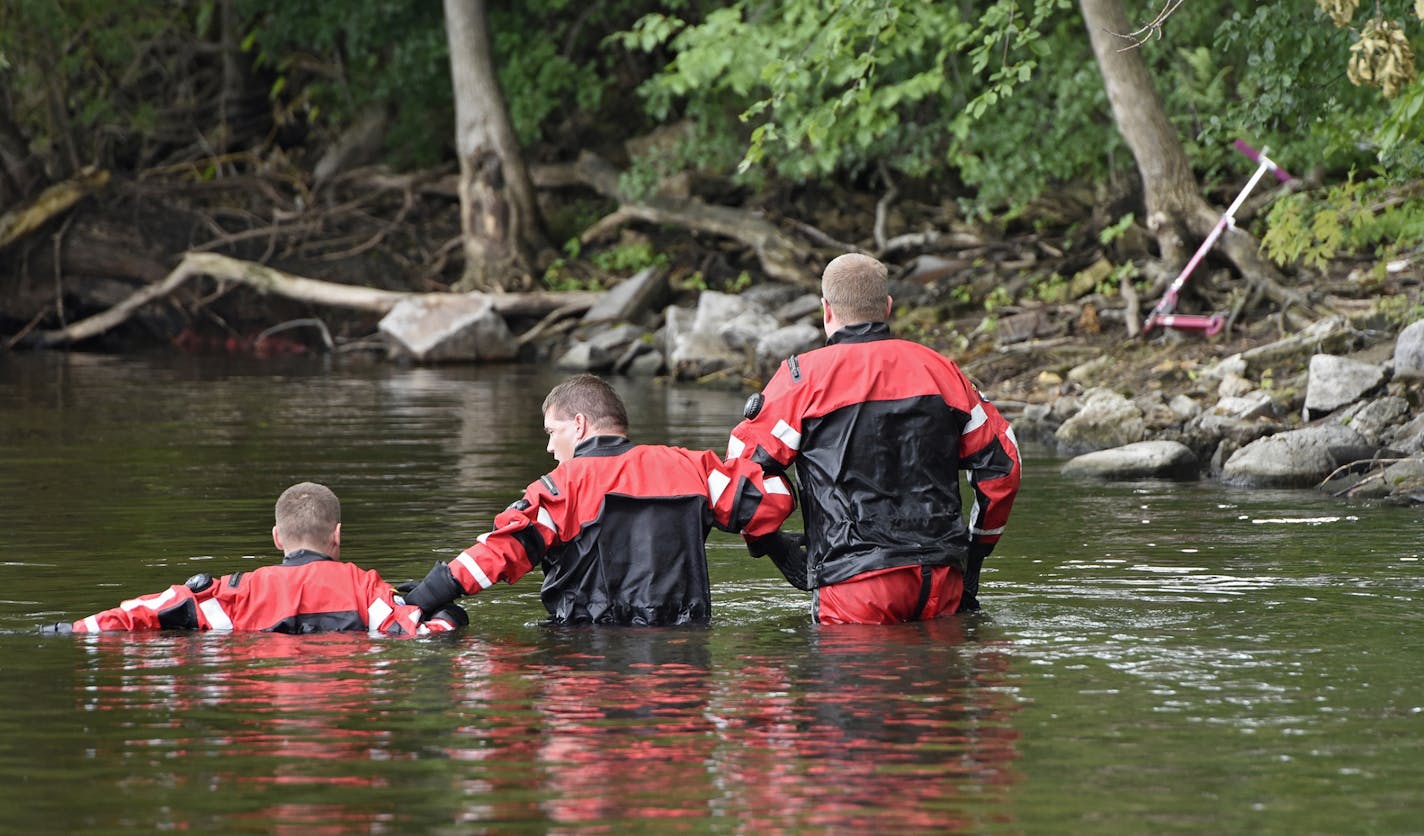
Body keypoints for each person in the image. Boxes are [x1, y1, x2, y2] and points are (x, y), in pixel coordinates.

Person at [727, 253, 1021, 624]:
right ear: (888, 307)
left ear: (826, 310)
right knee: (940, 678)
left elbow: (739, 473)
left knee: (860, 675)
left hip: (852, 584)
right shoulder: (942, 371)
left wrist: (769, 544)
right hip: (941, 580)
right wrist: (974, 556)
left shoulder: (801, 380)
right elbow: (1004, 468)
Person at [402, 374, 796, 626]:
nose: (550, 447)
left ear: (579, 425)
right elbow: (773, 501)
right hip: (683, 654)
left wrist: (427, 595)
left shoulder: (560, 487)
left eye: (552, 432)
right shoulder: (694, 468)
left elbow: (500, 551)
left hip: (585, 661)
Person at [41, 482, 466, 635]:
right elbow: (423, 633)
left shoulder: (232, 592)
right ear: (338, 536)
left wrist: (66, 629)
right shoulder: (364, 587)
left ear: (277, 538)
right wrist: (451, 614)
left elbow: (140, 612)